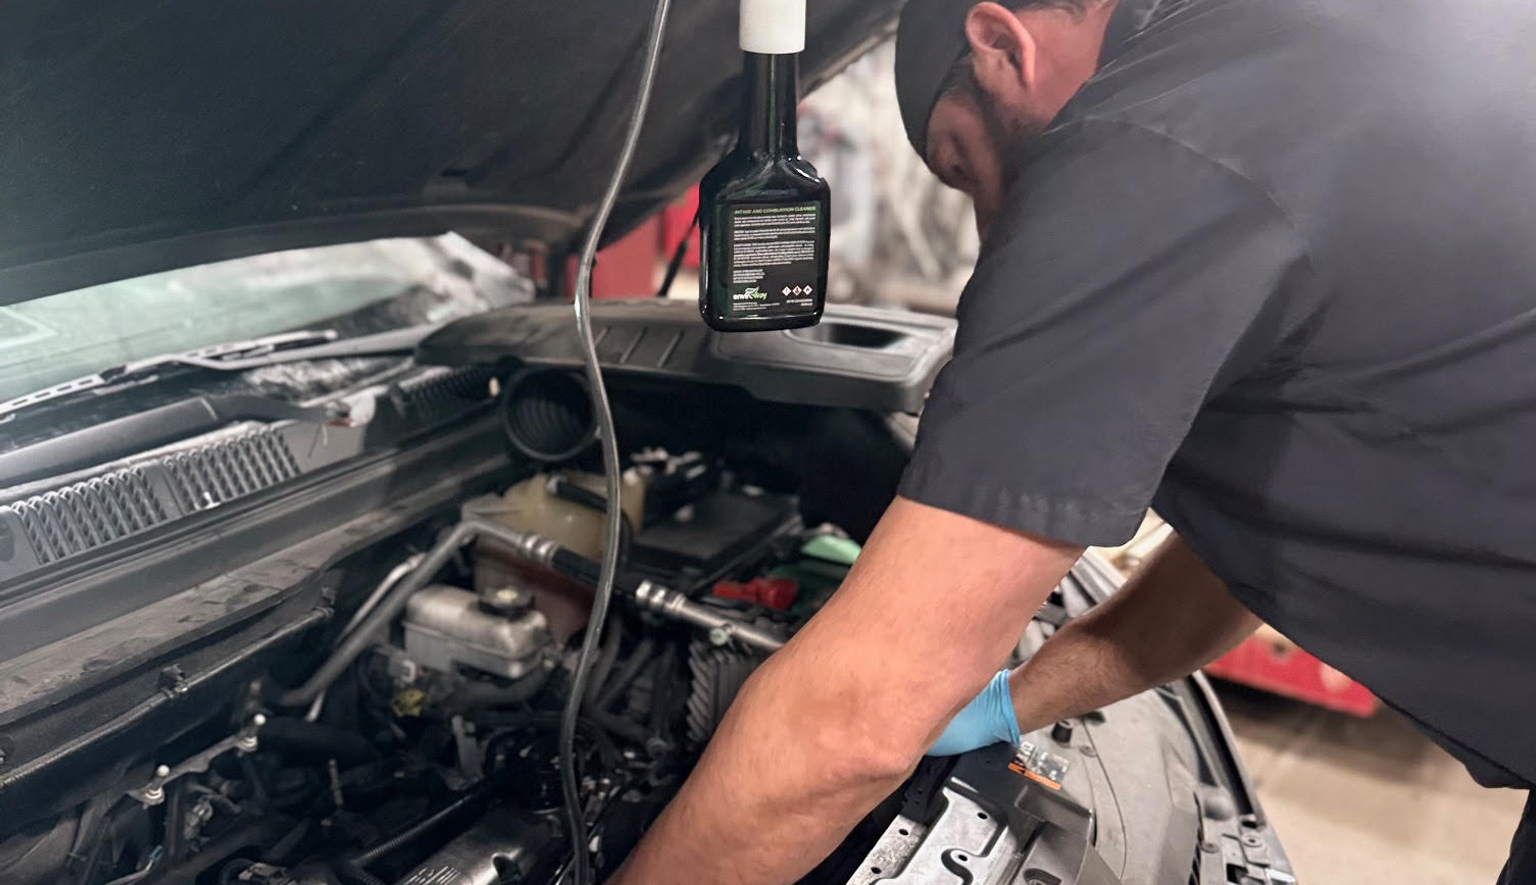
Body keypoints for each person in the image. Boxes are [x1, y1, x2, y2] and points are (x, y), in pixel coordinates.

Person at [610, 0, 1536, 881]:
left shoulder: (1150, 143)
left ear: (999, 45)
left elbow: (853, 724)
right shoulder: (1296, 46)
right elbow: (1247, 550)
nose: (989, 228)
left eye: (963, 165)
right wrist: (1012, 701)